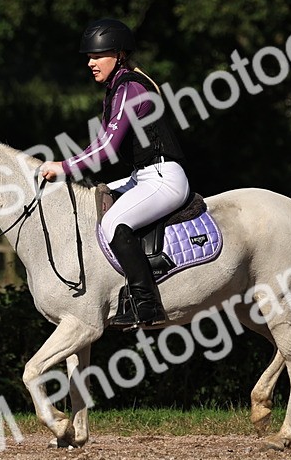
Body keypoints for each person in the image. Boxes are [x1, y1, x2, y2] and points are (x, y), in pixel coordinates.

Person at [39, 18, 190, 327]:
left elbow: (106, 148)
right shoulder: (116, 88)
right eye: (89, 57)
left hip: (164, 177)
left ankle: (146, 303)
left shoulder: (130, 88)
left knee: (114, 222)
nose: (91, 63)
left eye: (98, 56)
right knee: (96, 200)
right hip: (144, 175)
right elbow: (101, 141)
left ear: (119, 55)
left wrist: (63, 167)